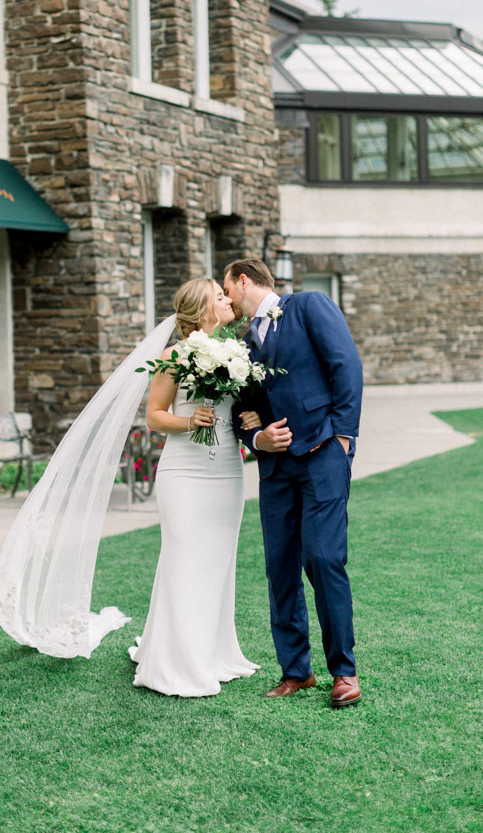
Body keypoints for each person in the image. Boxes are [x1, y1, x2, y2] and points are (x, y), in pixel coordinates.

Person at [224, 258, 364, 708]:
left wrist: (343, 437)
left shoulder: (307, 306)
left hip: (324, 453)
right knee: (280, 568)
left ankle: (344, 671)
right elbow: (239, 411)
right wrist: (257, 437)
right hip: (276, 470)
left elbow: (346, 365)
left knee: (323, 558)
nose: (226, 299)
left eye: (228, 289)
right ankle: (296, 672)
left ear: (244, 280)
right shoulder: (241, 344)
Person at [128, 277, 261, 697]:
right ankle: (176, 662)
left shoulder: (237, 352)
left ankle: (212, 653)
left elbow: (241, 407)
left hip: (226, 467)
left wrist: (253, 420)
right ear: (202, 309)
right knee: (184, 558)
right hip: (184, 471)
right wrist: (190, 421)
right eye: (219, 297)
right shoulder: (174, 356)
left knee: (219, 562)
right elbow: (154, 415)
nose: (228, 300)